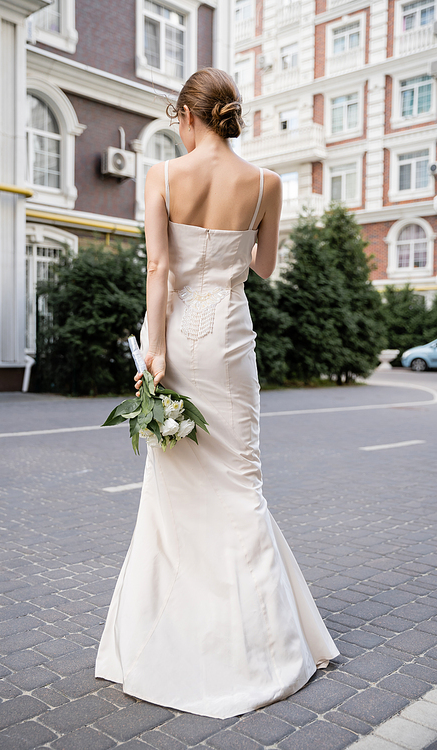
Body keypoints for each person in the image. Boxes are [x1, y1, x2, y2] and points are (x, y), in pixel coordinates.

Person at [95, 67, 339, 719]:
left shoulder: (163, 177)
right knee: (240, 478)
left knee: (175, 481)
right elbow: (263, 267)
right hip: (230, 335)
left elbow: (158, 267)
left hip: (176, 335)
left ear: (188, 116)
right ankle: (267, 639)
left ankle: (174, 632)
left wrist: (153, 350)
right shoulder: (267, 184)